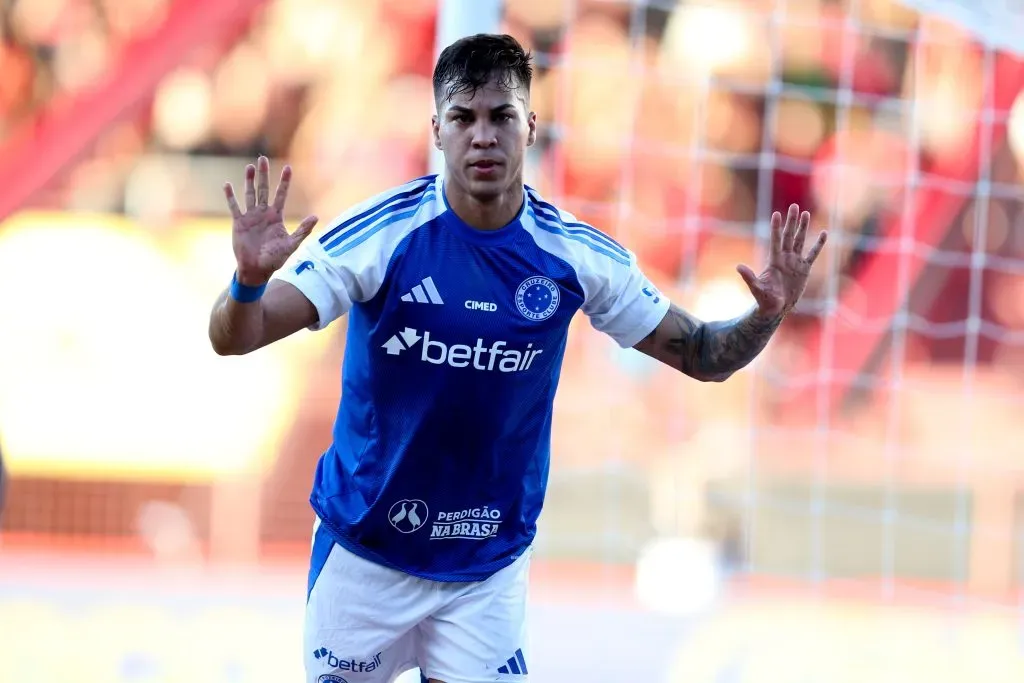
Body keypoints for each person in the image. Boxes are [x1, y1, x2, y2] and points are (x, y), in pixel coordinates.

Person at [208, 33, 826, 683]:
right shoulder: (380, 235)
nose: (483, 136)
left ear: (529, 126)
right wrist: (247, 282)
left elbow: (706, 357)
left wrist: (766, 315)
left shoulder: (576, 256)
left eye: (501, 116)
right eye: (463, 118)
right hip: (366, 555)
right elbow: (235, 336)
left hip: (484, 568)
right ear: (436, 129)